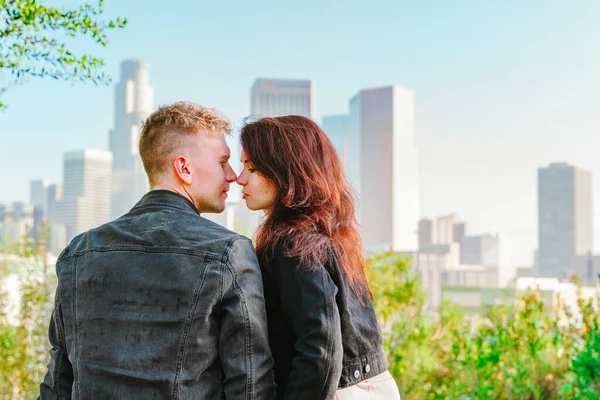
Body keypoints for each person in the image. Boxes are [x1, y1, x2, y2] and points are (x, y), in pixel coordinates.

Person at [39, 102, 276, 399]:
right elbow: (251, 385)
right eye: (222, 162)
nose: (231, 175)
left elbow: (58, 382)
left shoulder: (78, 253)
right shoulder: (229, 253)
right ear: (184, 168)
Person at [236, 115, 401, 399]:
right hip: (375, 384)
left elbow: (320, 345)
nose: (240, 179)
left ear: (284, 171)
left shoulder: (291, 242)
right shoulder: (330, 235)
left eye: (251, 168)